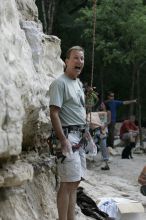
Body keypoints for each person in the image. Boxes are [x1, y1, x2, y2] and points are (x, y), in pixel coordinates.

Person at [49, 46, 86, 220]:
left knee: (74, 183)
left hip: (80, 138)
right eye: (76, 58)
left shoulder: (78, 83)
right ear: (67, 61)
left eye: (82, 58)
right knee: (66, 184)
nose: (80, 61)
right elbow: (54, 112)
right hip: (67, 137)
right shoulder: (60, 83)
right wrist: (63, 140)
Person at [87, 102, 111, 170]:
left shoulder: (107, 112)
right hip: (97, 131)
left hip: (102, 131)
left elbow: (107, 122)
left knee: (103, 146)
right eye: (101, 104)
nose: (101, 105)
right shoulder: (99, 112)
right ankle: (94, 160)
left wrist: (104, 126)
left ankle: (106, 164)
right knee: (93, 144)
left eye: (103, 104)